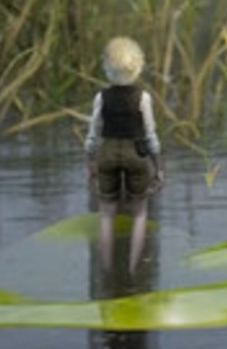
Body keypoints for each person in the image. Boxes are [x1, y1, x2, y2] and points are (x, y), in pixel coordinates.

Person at [85, 36, 164, 275]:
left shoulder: (101, 97)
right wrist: (158, 167)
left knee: (106, 214)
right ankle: (132, 270)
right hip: (136, 152)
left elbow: (92, 134)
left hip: (107, 152)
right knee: (140, 212)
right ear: (137, 67)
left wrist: (90, 164)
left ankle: (108, 271)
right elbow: (151, 135)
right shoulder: (143, 98)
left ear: (107, 68)